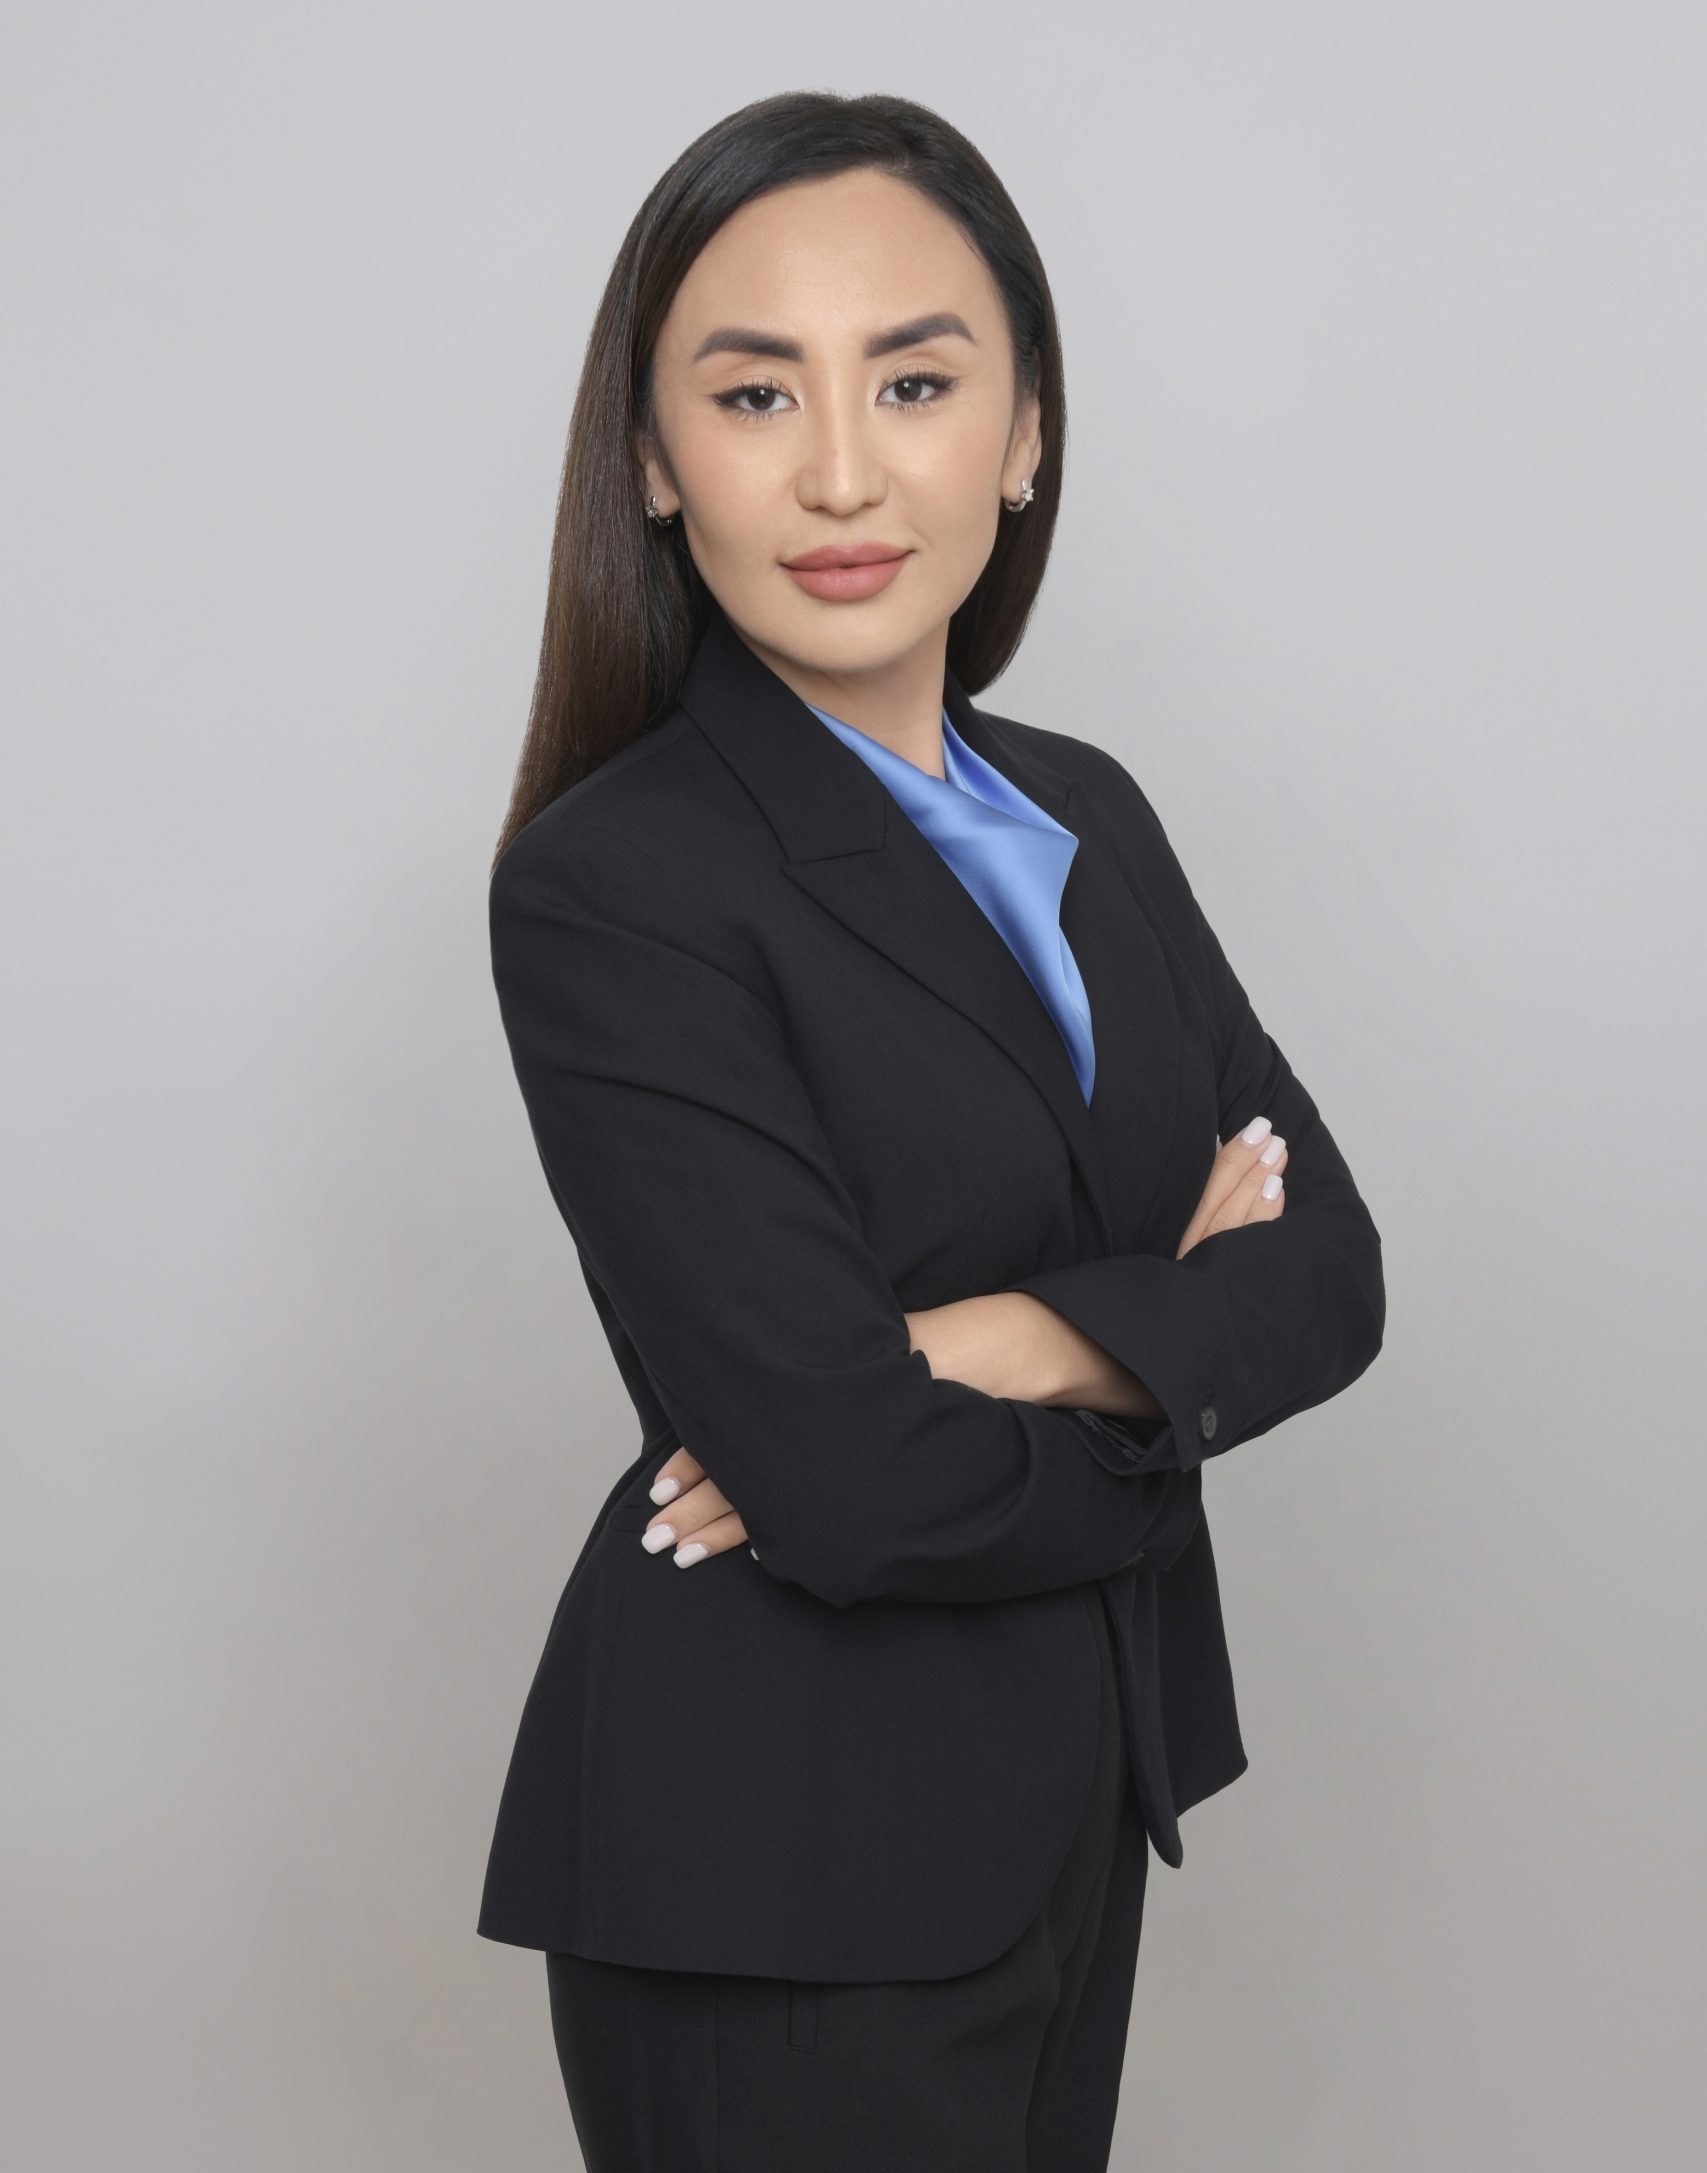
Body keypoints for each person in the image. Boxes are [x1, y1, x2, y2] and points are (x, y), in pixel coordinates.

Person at [478, 89, 1385, 2173]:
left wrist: (991, 1339)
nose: (839, 471)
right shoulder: (617, 884)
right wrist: (1160, 1333)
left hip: (1066, 1800)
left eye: (912, 380)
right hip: (779, 1864)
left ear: (1025, 430)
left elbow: (1328, 1269)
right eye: (751, 393)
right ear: (650, 458)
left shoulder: (1089, 811)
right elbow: (847, 1484)